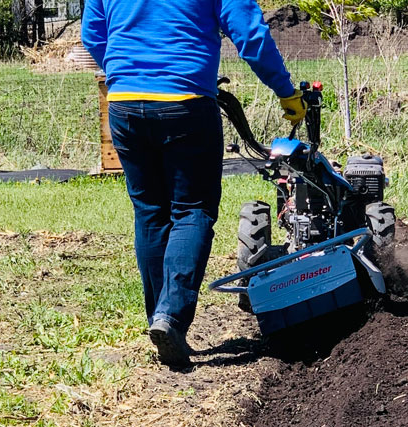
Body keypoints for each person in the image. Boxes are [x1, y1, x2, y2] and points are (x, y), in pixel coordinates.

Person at [82, 0, 306, 366]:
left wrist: (127, 71)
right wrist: (285, 91)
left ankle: (159, 315)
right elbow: (249, 34)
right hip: (185, 101)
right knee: (193, 210)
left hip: (124, 103)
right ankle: (170, 317)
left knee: (150, 213)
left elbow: (92, 34)